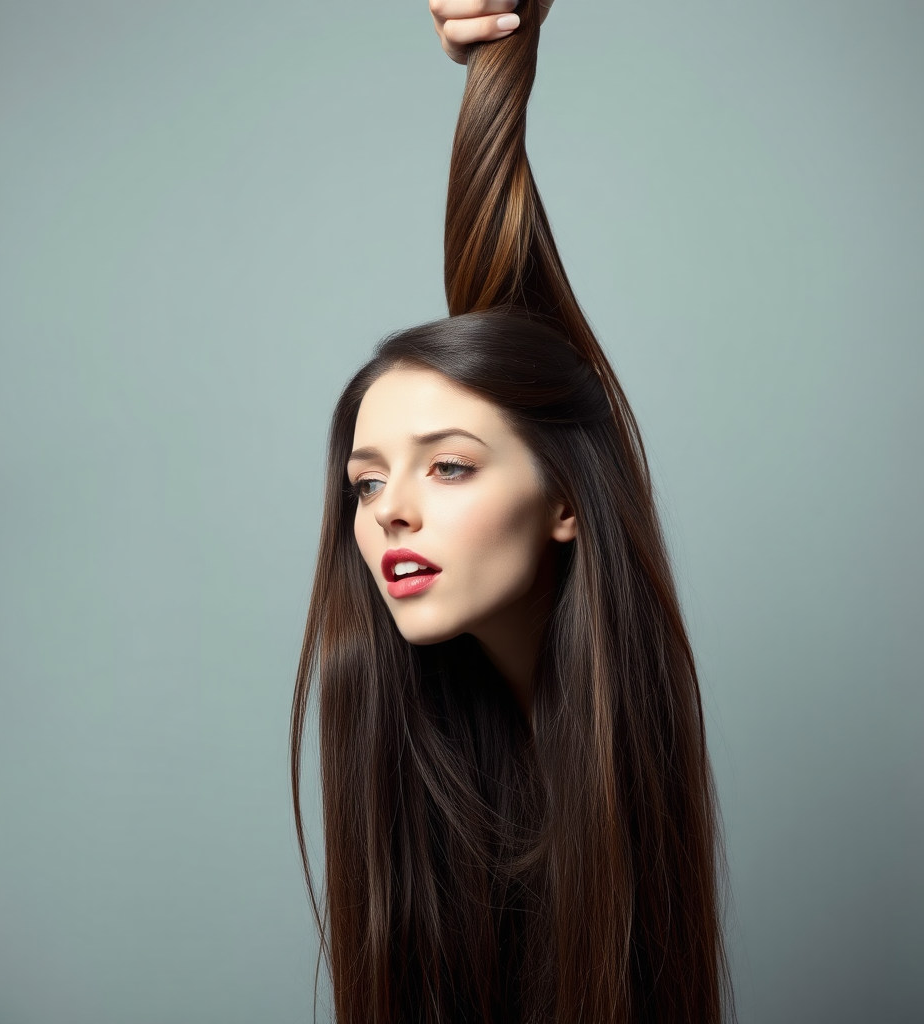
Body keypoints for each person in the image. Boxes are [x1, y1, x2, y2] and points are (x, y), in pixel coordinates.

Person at [291, 2, 731, 1021]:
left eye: (445, 468)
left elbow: (524, 318)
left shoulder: (616, 753)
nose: (388, 514)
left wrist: (504, 49)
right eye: (366, 481)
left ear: (567, 501)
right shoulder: (416, 760)